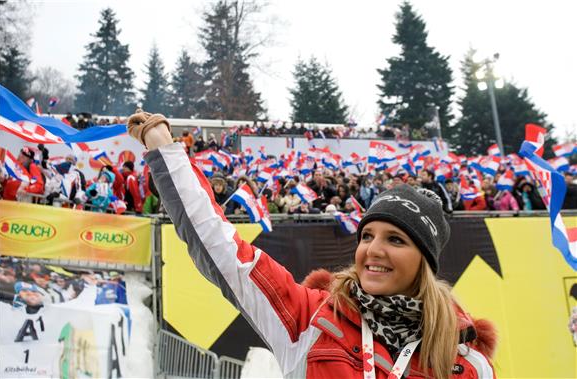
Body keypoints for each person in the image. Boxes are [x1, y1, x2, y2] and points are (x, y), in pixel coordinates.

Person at [126, 110, 496, 379]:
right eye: (367, 236)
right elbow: (222, 248)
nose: (373, 250)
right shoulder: (311, 318)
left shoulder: (466, 363)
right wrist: (166, 152)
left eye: (395, 239)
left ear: (424, 262)